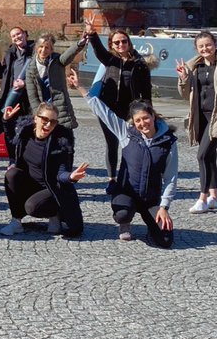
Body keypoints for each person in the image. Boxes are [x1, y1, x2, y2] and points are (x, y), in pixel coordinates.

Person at [70, 70, 177, 247]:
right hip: (127, 193)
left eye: (146, 118)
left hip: (151, 198)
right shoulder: (126, 133)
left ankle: (151, 224)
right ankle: (124, 222)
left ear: (153, 116)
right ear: (133, 122)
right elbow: (103, 112)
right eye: (138, 120)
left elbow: (171, 178)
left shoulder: (168, 141)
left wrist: (164, 207)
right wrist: (81, 88)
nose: (142, 123)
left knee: (165, 241)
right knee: (122, 214)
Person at [175, 31, 217, 212]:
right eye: (201, 46)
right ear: (196, 48)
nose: (205, 48)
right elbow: (185, 95)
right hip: (200, 116)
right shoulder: (194, 67)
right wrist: (183, 78)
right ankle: (215, 197)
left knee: (202, 155)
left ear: (215, 44)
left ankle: (202, 199)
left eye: (208, 45)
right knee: (210, 155)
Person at [0, 101, 88, 239]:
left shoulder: (59, 141)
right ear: (36, 118)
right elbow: (12, 142)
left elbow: (61, 173)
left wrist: (70, 177)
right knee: (12, 174)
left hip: (52, 189)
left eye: (53, 122)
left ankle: (55, 214)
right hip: (30, 184)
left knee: (32, 207)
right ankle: (16, 221)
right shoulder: (26, 132)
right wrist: (6, 121)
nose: (48, 125)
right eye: (45, 119)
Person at [84, 20, 152, 189]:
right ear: (112, 45)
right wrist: (92, 33)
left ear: (129, 42)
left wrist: (149, 111)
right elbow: (98, 50)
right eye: (117, 42)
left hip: (130, 110)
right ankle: (112, 179)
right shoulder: (110, 60)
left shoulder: (140, 64)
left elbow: (146, 90)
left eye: (124, 41)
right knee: (111, 143)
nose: (121, 44)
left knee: (129, 144)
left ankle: (127, 177)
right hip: (108, 108)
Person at [0, 27, 34, 162]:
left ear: (25, 34)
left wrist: (25, 84)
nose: (17, 37)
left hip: (28, 99)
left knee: (28, 128)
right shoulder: (10, 53)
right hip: (11, 97)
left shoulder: (35, 52)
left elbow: (42, 76)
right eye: (13, 36)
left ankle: (27, 159)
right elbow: (3, 75)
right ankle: (12, 159)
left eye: (19, 34)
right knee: (8, 127)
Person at [25, 34, 81, 132]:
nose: (43, 50)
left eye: (47, 47)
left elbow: (68, 54)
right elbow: (32, 96)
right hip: (43, 111)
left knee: (64, 138)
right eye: (41, 47)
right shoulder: (30, 68)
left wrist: (80, 43)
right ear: (36, 48)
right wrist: (39, 114)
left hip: (60, 109)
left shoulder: (57, 61)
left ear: (51, 50)